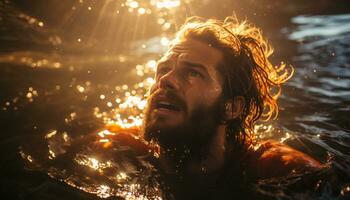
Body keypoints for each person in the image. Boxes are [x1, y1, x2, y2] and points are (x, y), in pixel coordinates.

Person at [107, 16, 324, 199]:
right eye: (163, 69)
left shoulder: (276, 169)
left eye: (193, 72)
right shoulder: (119, 148)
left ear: (231, 107)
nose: (166, 80)